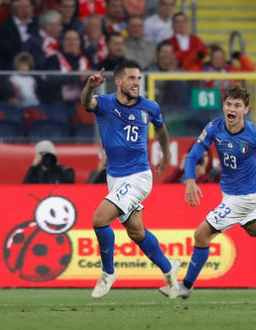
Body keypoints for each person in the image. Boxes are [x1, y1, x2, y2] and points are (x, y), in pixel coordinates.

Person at [158, 84, 256, 299]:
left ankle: (186, 286)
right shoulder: (215, 127)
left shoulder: (255, 134)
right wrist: (190, 180)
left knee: (201, 234)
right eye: (229, 104)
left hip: (243, 198)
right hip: (231, 194)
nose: (232, 109)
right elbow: (194, 154)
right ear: (223, 106)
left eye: (237, 105)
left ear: (246, 110)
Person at [80, 60, 180, 299]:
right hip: (115, 177)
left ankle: (108, 272)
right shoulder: (104, 104)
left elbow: (162, 130)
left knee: (100, 219)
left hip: (138, 177)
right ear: (119, 81)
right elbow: (86, 103)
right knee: (136, 232)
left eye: (139, 79)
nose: (137, 83)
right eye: (132, 78)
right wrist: (89, 87)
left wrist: (166, 155)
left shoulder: (149, 107)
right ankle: (169, 269)